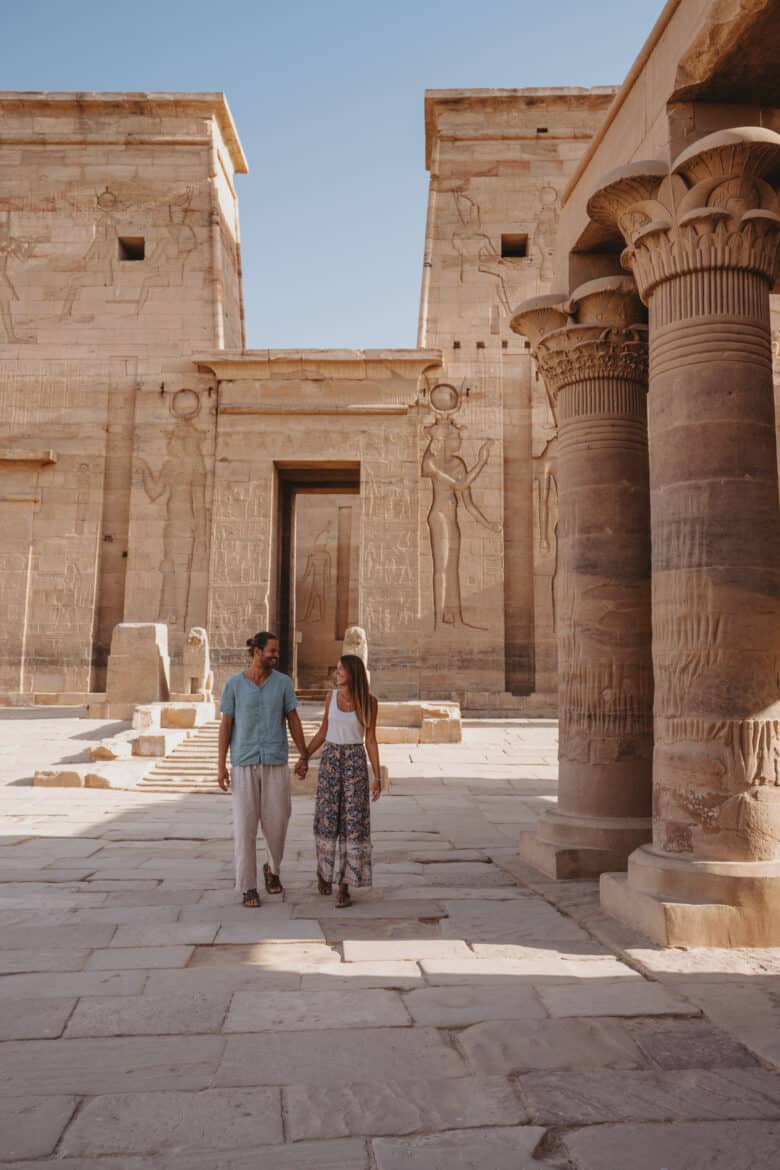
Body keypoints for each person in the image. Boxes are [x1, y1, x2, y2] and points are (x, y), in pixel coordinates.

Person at [218, 631, 309, 908]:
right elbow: (226, 725)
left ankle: (273, 868)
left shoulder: (283, 684)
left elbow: (293, 719)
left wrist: (304, 755)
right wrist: (220, 764)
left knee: (278, 823)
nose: (275, 656)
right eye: (271, 651)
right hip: (243, 762)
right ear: (257, 651)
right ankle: (247, 886)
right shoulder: (234, 684)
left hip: (275, 760)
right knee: (245, 826)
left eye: (276, 652)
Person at [297, 654, 381, 908]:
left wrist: (377, 775)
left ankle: (344, 885)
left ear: (353, 672)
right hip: (331, 760)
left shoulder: (369, 702)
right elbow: (323, 731)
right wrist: (304, 757)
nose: (337, 673)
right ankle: (324, 871)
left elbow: (370, 740)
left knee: (353, 823)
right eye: (337, 669)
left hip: (355, 762)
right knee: (327, 818)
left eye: (341, 670)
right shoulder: (330, 698)